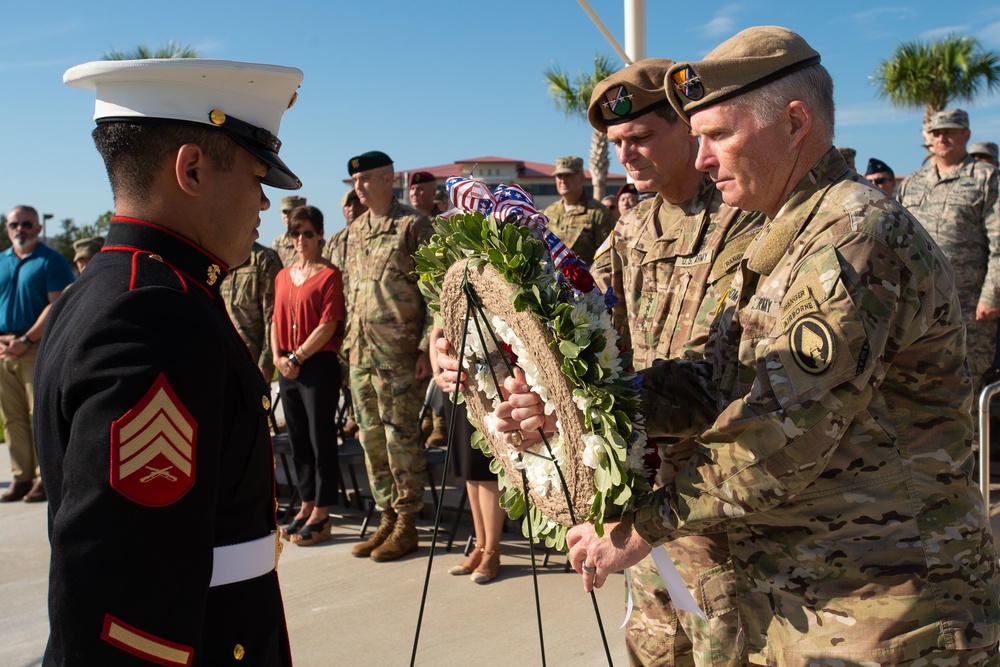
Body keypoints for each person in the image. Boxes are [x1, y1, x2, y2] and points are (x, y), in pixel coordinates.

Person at [489, 26, 1000, 664]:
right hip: (803, 590)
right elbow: (712, 381)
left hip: (890, 601)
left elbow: (783, 430)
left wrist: (642, 526)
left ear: (793, 122)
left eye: (718, 135)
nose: (703, 158)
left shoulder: (851, 234)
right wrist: (564, 401)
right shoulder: (788, 232)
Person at [36, 58, 303, 665]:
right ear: (191, 169)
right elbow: (119, 591)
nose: (264, 202)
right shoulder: (154, 314)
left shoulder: (108, 290)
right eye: (258, 175)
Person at [585, 57, 762, 666]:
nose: (626, 156)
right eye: (616, 145)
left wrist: (595, 396)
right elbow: (578, 310)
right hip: (649, 497)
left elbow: (715, 386)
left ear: (691, 129)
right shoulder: (636, 223)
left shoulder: (745, 218)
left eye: (641, 138)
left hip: (719, 509)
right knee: (657, 652)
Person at [345, 150, 434, 562]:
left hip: (399, 356)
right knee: (371, 440)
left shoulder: (413, 225)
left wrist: (426, 346)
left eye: (366, 180)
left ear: (388, 179)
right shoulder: (354, 231)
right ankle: (385, 515)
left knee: (401, 438)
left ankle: (407, 522)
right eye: (355, 183)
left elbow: (438, 290)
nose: (359, 188)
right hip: (361, 353)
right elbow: (350, 290)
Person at [899, 109, 1000, 406]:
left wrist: (992, 296)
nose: (942, 138)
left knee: (964, 387)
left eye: (950, 132)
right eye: (937, 133)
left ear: (965, 135)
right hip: (918, 309)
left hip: (968, 308)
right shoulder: (913, 183)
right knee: (918, 389)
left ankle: (972, 452)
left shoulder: (986, 179)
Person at [271, 205, 346, 547]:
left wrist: (297, 356)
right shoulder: (283, 276)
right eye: (295, 233)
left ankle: (322, 510)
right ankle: (305, 503)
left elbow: (329, 324)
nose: (300, 239)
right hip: (287, 366)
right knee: (298, 439)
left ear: (319, 235)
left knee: (320, 438)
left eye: (307, 233)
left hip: (316, 365)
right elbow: (274, 319)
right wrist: (278, 358)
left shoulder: (330, 275)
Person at [0, 206, 74, 503]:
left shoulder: (51, 261)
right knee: (12, 419)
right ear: (7, 228)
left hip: (35, 349)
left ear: (38, 228)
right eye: (14, 224)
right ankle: (21, 478)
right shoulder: (1, 261)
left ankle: (45, 479)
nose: (21, 229)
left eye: (27, 224)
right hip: (4, 350)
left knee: (39, 416)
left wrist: (26, 341)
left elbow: (55, 305)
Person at [429, 327, 505, 584]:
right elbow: (435, 329)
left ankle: (492, 551)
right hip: (457, 383)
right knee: (470, 469)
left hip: (489, 377)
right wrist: (437, 372)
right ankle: (480, 546)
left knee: (486, 468)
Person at [220, 241, 282, 382]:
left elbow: (273, 316)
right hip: (223, 356)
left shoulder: (264, 258)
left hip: (251, 359)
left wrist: (266, 362)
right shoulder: (221, 258)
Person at [541, 156, 614, 266]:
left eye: (568, 175)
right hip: (553, 279)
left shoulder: (597, 212)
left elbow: (608, 254)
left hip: (586, 280)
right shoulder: (549, 212)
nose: (563, 180)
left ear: (581, 177)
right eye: (559, 176)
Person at [271, 195, 307, 267]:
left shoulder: (313, 239)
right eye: (284, 212)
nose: (286, 215)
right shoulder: (278, 242)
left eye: (291, 211)